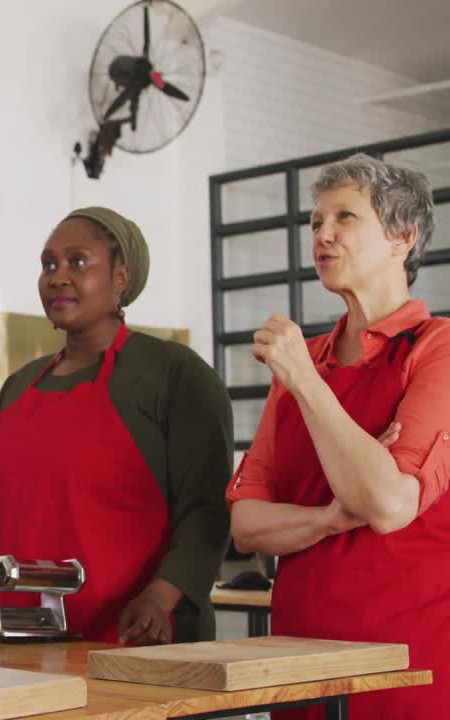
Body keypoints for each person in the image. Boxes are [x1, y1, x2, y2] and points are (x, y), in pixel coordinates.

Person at [0, 207, 233, 645]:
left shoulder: (174, 375)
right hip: (8, 642)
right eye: (48, 265)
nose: (58, 277)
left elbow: (207, 511)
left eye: (77, 262)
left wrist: (160, 599)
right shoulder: (19, 385)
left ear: (121, 278)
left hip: (129, 641)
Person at [228, 154, 449, 719]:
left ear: (403, 236)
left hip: (403, 674)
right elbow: (247, 524)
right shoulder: (303, 359)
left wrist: (304, 380)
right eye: (315, 223)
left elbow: (388, 505)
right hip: (297, 674)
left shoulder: (436, 349)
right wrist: (329, 517)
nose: (322, 236)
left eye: (344, 218)